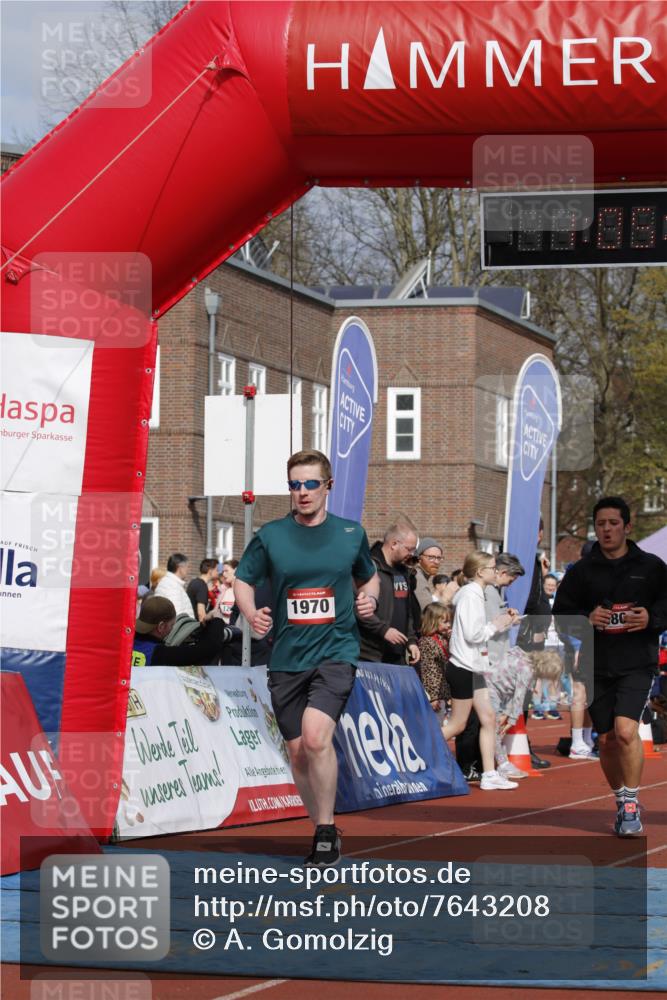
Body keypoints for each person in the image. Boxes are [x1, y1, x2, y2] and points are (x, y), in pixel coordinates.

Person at [234, 449, 379, 866]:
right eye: (295, 485)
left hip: (336, 650)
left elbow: (368, 576)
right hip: (286, 656)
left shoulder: (351, 533)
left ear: (328, 486)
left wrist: (368, 599)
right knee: (297, 752)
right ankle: (320, 825)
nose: (302, 492)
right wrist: (250, 612)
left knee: (317, 737)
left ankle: (327, 827)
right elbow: (243, 580)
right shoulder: (272, 535)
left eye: (311, 484)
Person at [553, 496, 667, 836]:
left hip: (636, 662)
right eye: (601, 524)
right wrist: (586, 618)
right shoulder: (582, 572)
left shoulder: (651, 567)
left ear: (627, 527)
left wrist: (651, 617)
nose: (606, 529)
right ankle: (620, 798)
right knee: (605, 740)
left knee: (626, 731)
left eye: (613, 523)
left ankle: (631, 803)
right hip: (596, 664)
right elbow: (561, 616)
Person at [443, 551, 518, 790]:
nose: (497, 572)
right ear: (480, 572)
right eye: (493, 567)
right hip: (463, 667)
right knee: (457, 725)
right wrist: (498, 624)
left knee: (489, 718)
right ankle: (414, 754)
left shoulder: (478, 594)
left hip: (474, 667)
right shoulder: (470, 595)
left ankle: (489, 774)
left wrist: (502, 621)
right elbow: (474, 634)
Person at [358, 519, 421, 667]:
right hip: (369, 655)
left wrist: (411, 641)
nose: (412, 554)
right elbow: (358, 607)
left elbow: (408, 611)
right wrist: (383, 630)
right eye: (409, 549)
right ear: (394, 544)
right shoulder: (368, 567)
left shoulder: (403, 571)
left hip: (396, 656)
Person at [131, 596, 232, 667]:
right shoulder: (159, 654)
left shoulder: (125, 644)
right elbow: (208, 648)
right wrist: (217, 619)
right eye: (172, 625)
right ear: (161, 626)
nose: (172, 628)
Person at [417, 602, 452, 714]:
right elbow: (429, 671)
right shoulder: (427, 642)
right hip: (436, 694)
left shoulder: (443, 638)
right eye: (445, 622)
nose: (449, 625)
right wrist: (433, 697)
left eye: (449, 621)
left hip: (445, 690)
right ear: (433, 621)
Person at [154, 552, 194, 618]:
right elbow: (177, 615)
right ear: (179, 568)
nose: (188, 570)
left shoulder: (171, 583)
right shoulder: (171, 586)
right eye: (187, 567)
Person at [414, 537, 444, 611]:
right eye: (431, 557)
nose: (436, 562)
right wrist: (446, 598)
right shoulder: (417, 577)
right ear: (419, 558)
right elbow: (429, 613)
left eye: (439, 558)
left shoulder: (422, 576)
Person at [187, 558, 220, 623]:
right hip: (196, 626)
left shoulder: (194, 582)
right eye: (217, 570)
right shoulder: (202, 585)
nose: (218, 572)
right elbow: (201, 614)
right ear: (210, 571)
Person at [217, 559, 239, 624]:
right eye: (223, 571)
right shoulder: (223, 590)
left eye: (226, 571)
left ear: (236, 570)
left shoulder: (244, 592)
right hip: (223, 630)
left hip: (238, 631)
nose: (223, 574)